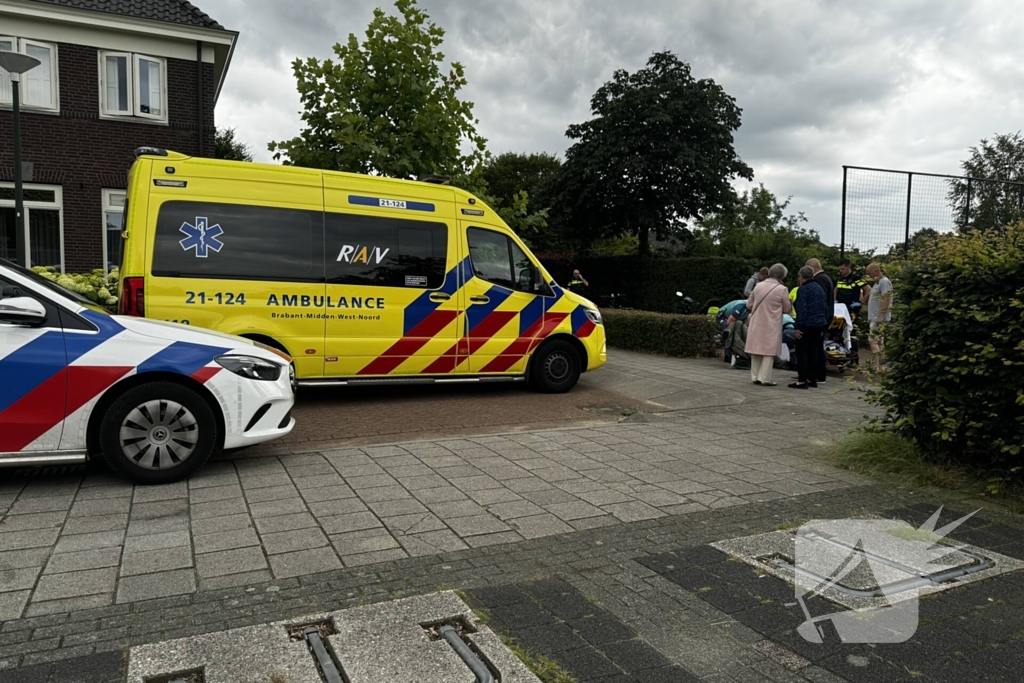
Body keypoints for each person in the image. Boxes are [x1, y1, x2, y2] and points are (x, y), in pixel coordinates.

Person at [745, 263, 791, 386]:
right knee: (768, 351)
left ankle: (754, 376)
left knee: (756, 348)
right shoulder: (782, 289)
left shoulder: (758, 286)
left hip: (756, 321)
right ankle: (765, 377)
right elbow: (787, 309)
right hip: (772, 323)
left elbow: (749, 305)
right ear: (781, 276)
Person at [790, 266, 830, 389]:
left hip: (807, 324)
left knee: (801, 352)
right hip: (819, 324)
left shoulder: (803, 289)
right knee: (813, 351)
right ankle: (812, 379)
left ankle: (802, 380)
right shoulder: (819, 288)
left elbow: (802, 310)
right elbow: (825, 307)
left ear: (801, 277)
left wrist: (797, 327)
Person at [806, 258, 834, 383]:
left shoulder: (819, 280)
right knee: (817, 345)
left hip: (819, 319)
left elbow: (818, 300)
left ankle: (818, 374)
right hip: (824, 317)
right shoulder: (826, 278)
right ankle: (816, 373)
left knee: (815, 347)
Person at [865, 263, 892, 362]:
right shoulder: (878, 282)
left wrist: (881, 315)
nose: (869, 275)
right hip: (875, 317)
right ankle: (881, 367)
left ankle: (877, 365)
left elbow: (886, 298)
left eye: (869, 273)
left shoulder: (884, 282)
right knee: (880, 341)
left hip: (878, 317)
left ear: (876, 271)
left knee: (872, 340)